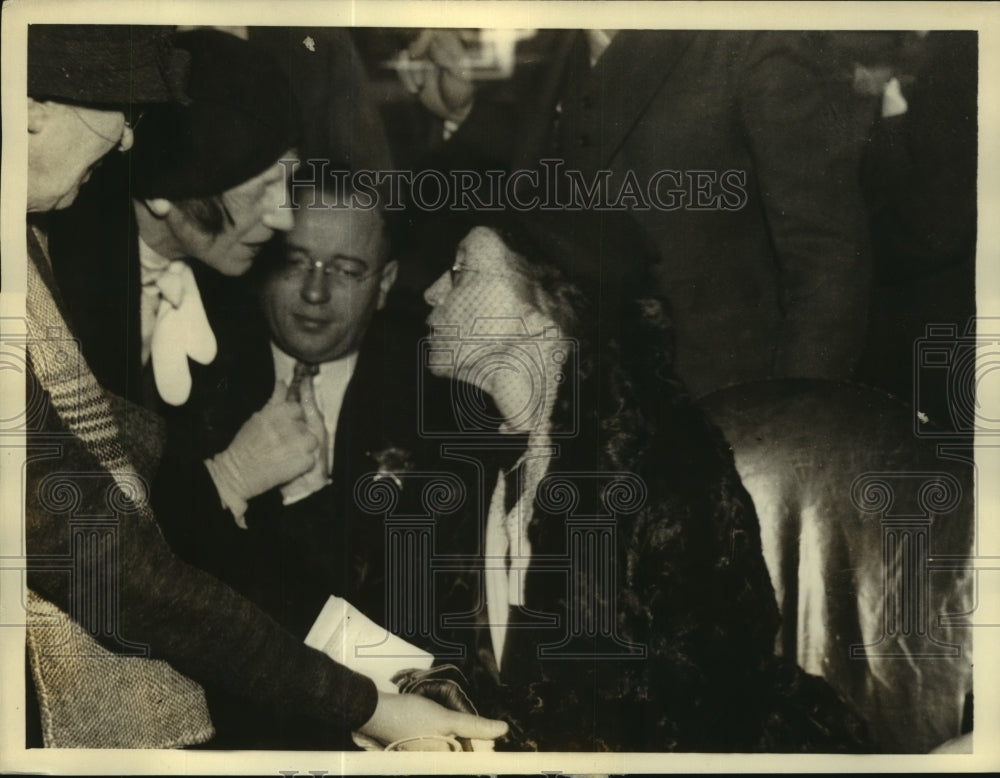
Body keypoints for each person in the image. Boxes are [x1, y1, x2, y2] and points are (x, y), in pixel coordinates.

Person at [22, 23, 506, 750]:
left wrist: (392, 679)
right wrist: (372, 703)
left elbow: (192, 544)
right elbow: (120, 557)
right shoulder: (70, 268)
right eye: (269, 177)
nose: (286, 216)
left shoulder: (207, 283)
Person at [419, 209, 871, 751]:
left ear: (544, 310)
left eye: (460, 271)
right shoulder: (476, 470)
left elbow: (704, 698)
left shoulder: (665, 465)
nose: (430, 292)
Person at [403, 29, 873, 398]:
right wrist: (463, 112)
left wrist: (789, 424)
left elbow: (828, 259)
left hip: (719, 411)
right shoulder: (557, 45)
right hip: (586, 414)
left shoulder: (753, 38)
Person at [49, 28, 298, 409]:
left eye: (289, 183)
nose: (286, 220)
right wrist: (231, 472)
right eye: (262, 187)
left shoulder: (232, 297)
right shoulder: (64, 287)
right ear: (161, 193)